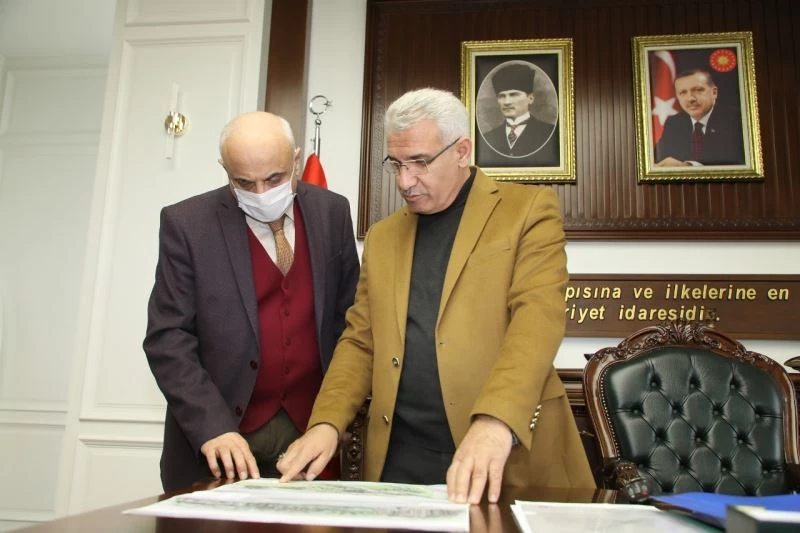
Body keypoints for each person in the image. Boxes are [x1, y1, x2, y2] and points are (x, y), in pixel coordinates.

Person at [277, 88, 594, 504]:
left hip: (504, 451)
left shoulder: (528, 210)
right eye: (396, 164)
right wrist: (327, 422)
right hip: (399, 459)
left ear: (462, 151)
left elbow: (537, 321)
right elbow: (360, 340)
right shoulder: (383, 236)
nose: (404, 181)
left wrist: (496, 420)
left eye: (420, 163)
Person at [143, 111, 360, 491]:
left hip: (309, 439)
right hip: (222, 441)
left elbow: (350, 324)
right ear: (224, 169)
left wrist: (332, 419)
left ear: (296, 160)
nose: (261, 194)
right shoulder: (187, 224)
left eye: (274, 179)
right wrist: (213, 427)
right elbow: (168, 338)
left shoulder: (332, 212)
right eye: (244, 182)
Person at [655, 69, 745, 166]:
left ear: (714, 93)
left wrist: (689, 167)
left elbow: (737, 162)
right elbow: (657, 158)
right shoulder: (674, 123)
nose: (690, 99)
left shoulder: (736, 120)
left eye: (698, 90)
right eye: (683, 92)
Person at [480, 62, 559, 165]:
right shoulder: (488, 137)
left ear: (530, 98)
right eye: (501, 96)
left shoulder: (550, 133)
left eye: (513, 95)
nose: (506, 102)